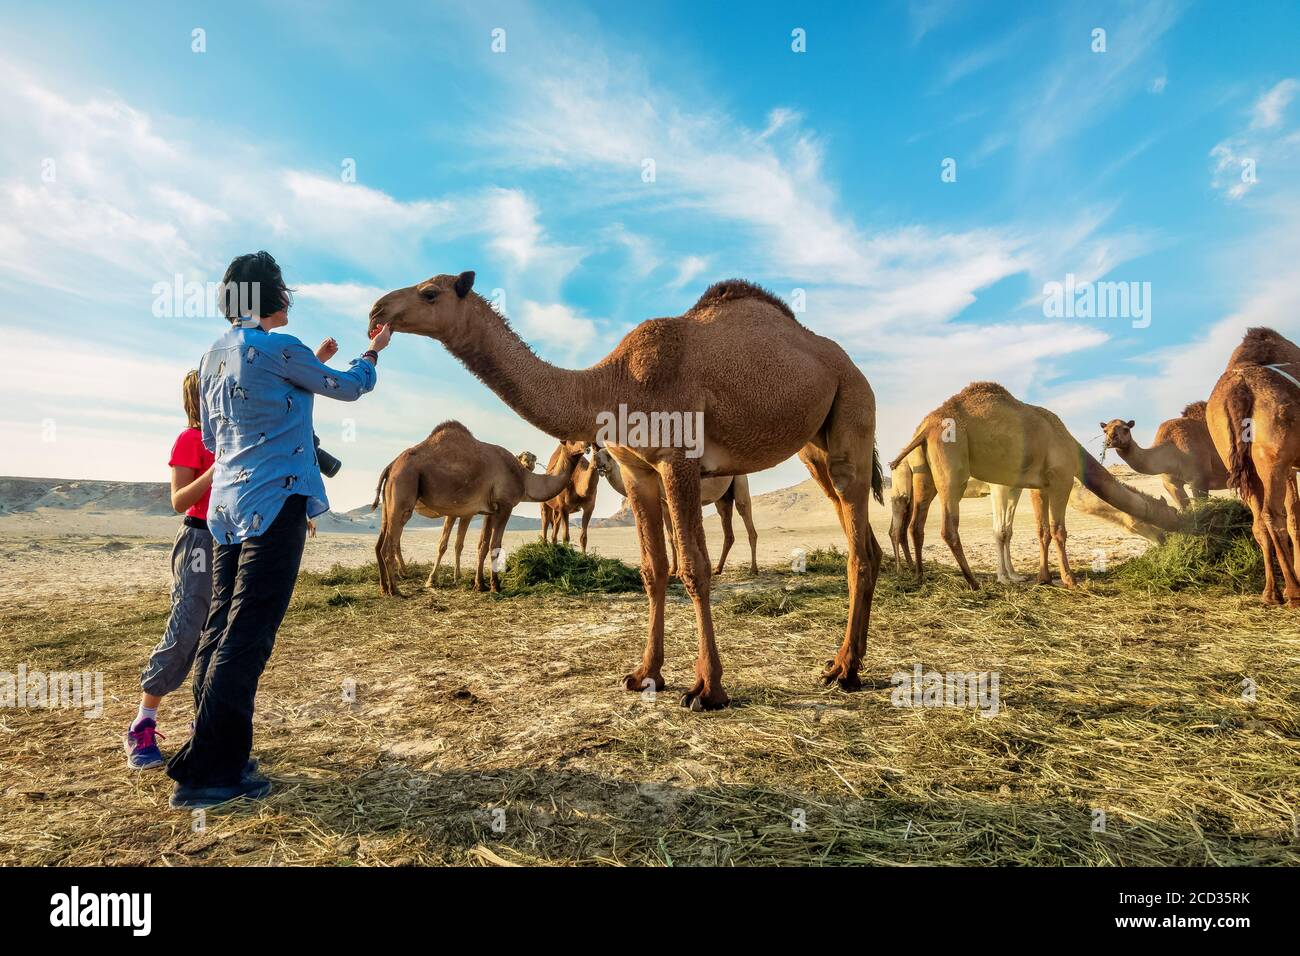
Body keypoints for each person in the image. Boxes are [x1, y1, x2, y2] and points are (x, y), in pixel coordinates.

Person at [165, 250, 391, 809]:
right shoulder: (279, 348)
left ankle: (217, 751)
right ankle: (211, 774)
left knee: (221, 627)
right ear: (272, 297)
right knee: (249, 635)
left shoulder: (214, 356)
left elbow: (215, 443)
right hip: (278, 501)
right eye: (284, 289)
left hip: (226, 508)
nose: (290, 297)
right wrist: (373, 353)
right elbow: (348, 387)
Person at [123, 370, 215, 770]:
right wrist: (218, 468)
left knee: (221, 636)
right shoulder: (190, 440)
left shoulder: (234, 439)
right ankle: (143, 723)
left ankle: (206, 725)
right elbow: (179, 500)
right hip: (198, 540)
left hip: (234, 542)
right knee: (185, 630)